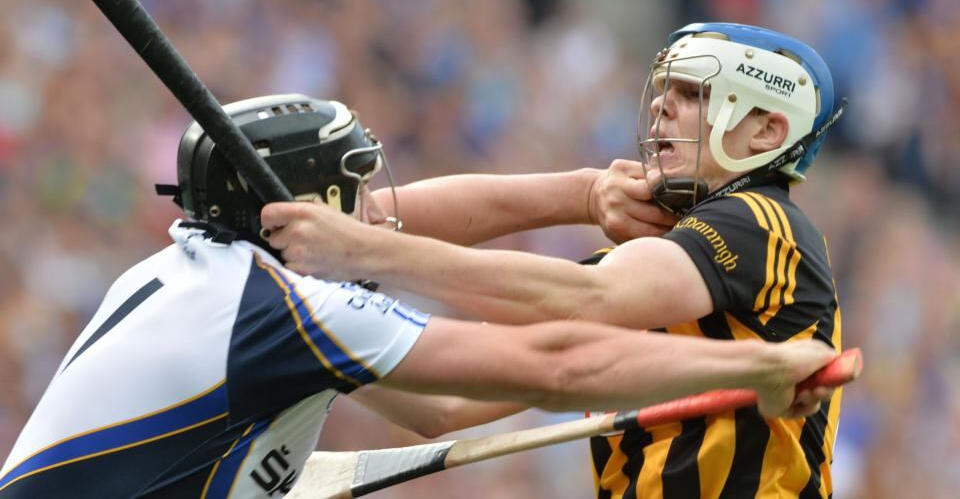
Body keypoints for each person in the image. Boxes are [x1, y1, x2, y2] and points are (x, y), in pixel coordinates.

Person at [0, 93, 837, 499]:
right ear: (313, 205)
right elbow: (554, 361)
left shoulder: (192, 274)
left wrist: (582, 195)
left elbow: (439, 400)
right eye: (359, 189)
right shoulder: (284, 312)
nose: (383, 210)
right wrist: (760, 364)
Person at [261, 23, 849, 498]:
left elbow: (586, 297)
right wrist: (313, 319)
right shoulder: (646, 267)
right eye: (664, 91)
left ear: (768, 132)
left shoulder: (766, 225)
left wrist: (364, 251)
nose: (660, 110)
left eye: (693, 94)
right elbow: (443, 403)